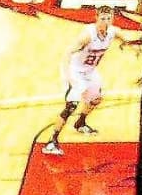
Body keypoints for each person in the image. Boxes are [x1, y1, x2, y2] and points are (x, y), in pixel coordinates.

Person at [49, 18, 117, 156]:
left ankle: (80, 123)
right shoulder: (87, 35)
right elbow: (68, 52)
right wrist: (68, 76)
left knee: (96, 99)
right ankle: (52, 141)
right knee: (71, 106)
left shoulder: (112, 32)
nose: (105, 21)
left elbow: (127, 38)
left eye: (108, 18)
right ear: (97, 18)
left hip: (90, 71)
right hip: (75, 71)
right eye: (103, 18)